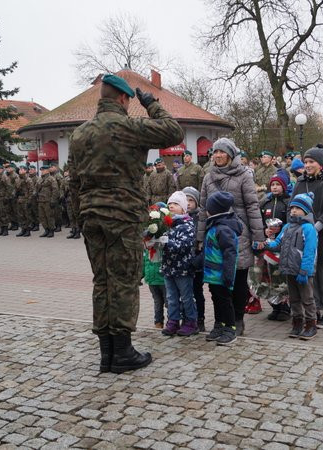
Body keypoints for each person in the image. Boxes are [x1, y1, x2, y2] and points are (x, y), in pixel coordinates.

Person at [68, 73, 184, 373]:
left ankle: (106, 353)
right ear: (123, 98)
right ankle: (122, 353)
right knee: (124, 281)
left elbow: (74, 181)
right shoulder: (129, 127)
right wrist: (152, 104)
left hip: (91, 217)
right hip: (123, 216)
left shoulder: (79, 134)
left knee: (102, 281)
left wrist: (81, 214)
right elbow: (174, 132)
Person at [197, 137, 264, 337]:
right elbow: (203, 208)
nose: (218, 155)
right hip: (215, 235)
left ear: (231, 155)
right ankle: (221, 320)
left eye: (222, 152)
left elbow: (252, 206)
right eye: (215, 152)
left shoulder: (244, 175)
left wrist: (258, 236)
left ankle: (237, 319)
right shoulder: (208, 177)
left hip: (238, 232)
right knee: (217, 282)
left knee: (239, 279)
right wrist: (200, 238)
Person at [292, 147, 323, 329]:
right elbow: (293, 205)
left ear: (321, 164)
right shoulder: (300, 182)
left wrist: (315, 228)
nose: (308, 165)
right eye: (306, 162)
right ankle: (315, 309)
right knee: (310, 275)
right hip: (303, 234)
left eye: (311, 162)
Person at [265, 193, 319, 340]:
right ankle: (297, 323)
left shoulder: (309, 228)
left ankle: (311, 324)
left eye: (298, 208)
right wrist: (266, 244)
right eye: (292, 208)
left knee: (307, 299)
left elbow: (310, 252)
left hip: (303, 271)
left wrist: (305, 271)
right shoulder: (287, 227)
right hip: (290, 269)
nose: (294, 210)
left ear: (306, 210)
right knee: (294, 299)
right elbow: (278, 244)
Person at [198, 191, 242, 346]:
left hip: (221, 275)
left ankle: (230, 328)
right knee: (216, 300)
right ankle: (219, 324)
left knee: (225, 301)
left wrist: (228, 275)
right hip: (212, 275)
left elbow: (230, 254)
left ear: (214, 210)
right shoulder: (214, 226)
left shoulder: (223, 229)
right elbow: (207, 251)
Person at [160, 191, 198, 337]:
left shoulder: (187, 225)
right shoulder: (167, 225)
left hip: (182, 269)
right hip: (168, 268)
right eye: (169, 204)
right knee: (171, 297)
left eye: (175, 204)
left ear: (183, 208)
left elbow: (184, 246)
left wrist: (166, 242)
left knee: (186, 297)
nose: (171, 206)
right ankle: (173, 321)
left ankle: (190, 322)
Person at [257, 175, 291, 321]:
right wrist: (265, 230)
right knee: (268, 276)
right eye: (272, 185)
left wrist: (281, 231)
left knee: (281, 277)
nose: (275, 187)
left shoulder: (288, 202)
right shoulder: (265, 203)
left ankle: (284, 307)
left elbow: (291, 222)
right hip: (268, 245)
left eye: (278, 184)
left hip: (283, 245)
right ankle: (275, 306)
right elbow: (259, 221)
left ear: (283, 186)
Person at [183, 187, 207, 332]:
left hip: (196, 262)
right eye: (185, 200)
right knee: (185, 293)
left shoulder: (200, 218)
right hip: (183, 262)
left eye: (191, 200)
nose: (188, 203)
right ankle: (187, 318)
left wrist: (197, 259)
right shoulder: (179, 218)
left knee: (197, 291)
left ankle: (200, 318)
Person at [35, 165, 58, 238]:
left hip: (48, 200)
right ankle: (46, 229)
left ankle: (51, 230)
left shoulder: (51, 179)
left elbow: (55, 190)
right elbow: (36, 188)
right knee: (42, 216)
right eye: (41, 170)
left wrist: (53, 200)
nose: (42, 171)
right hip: (40, 200)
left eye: (43, 170)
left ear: (48, 170)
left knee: (49, 216)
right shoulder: (40, 179)